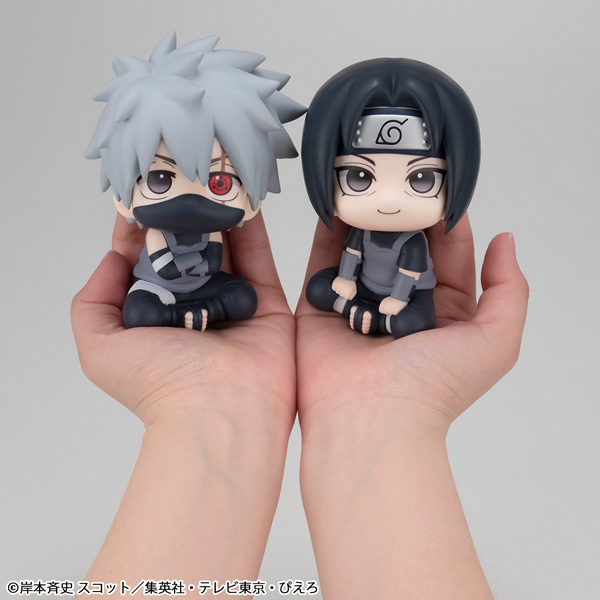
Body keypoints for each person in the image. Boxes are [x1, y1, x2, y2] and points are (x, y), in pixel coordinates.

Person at [72, 206, 528, 598]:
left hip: (385, 300)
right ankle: (347, 314)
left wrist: (393, 388)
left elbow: (406, 278)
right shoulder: (163, 231)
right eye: (360, 176)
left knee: (251, 298)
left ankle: (351, 314)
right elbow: (169, 268)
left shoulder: (410, 242)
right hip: (179, 293)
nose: (389, 199)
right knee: (308, 290)